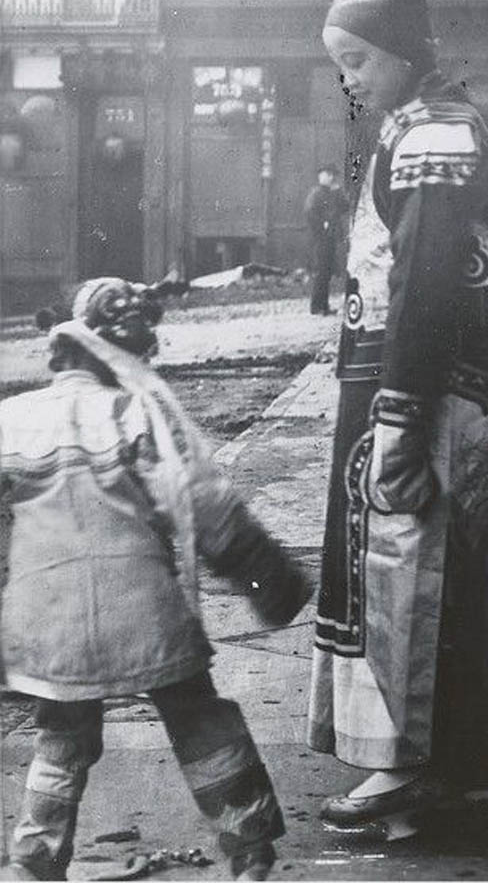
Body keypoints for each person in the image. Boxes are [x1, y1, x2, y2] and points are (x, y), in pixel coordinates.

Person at [307, 0, 488, 837]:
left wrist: (397, 414)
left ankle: (400, 769)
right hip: (455, 389)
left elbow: (425, 285)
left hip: (439, 396)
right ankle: (447, 766)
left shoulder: (433, 136)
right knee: (453, 574)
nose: (347, 75)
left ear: (396, 53)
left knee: (410, 566)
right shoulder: (432, 125)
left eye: (356, 58)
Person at [0, 277, 313, 882]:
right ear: (126, 356)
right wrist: (266, 578)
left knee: (61, 737)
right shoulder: (136, 411)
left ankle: (32, 862)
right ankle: (249, 852)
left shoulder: (9, 419)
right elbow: (201, 501)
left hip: (47, 616)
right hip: (141, 606)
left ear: (62, 350)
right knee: (199, 718)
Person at [304, 165, 350, 315]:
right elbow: (310, 213)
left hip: (331, 237)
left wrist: (338, 192)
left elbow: (345, 207)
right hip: (320, 238)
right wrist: (322, 226)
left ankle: (323, 306)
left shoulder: (333, 193)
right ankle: (317, 306)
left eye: (331, 175)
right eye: (326, 174)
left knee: (327, 271)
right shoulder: (316, 193)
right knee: (322, 271)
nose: (329, 177)